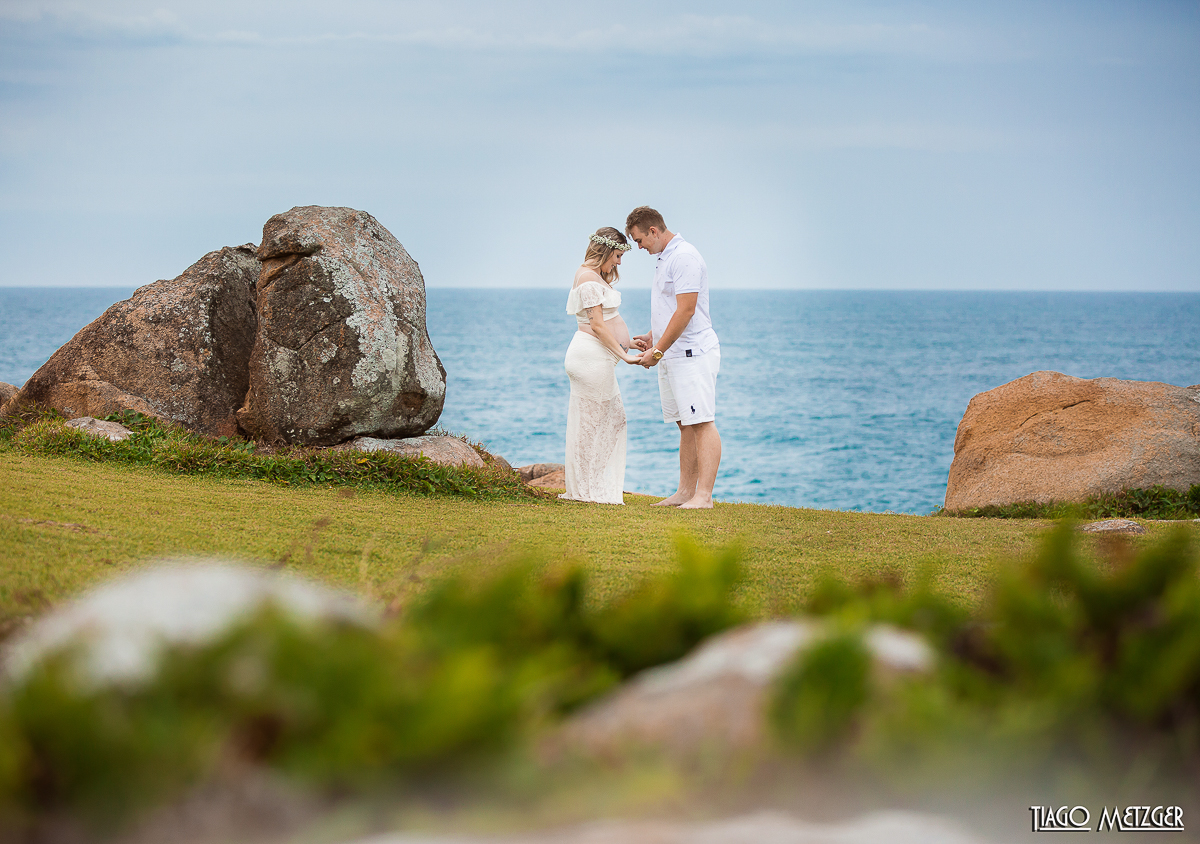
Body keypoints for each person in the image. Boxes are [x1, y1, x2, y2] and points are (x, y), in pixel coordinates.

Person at [626, 206, 722, 509]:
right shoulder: (665, 258)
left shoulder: (684, 257)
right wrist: (654, 337)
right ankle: (685, 492)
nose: (640, 247)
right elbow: (672, 310)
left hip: (692, 353)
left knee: (702, 422)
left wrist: (657, 350)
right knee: (685, 423)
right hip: (673, 353)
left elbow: (687, 309)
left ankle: (703, 496)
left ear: (653, 231)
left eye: (640, 240)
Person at [561, 227, 642, 504]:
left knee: (600, 422)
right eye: (618, 255)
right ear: (606, 250)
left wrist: (629, 343)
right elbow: (596, 325)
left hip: (596, 356)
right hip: (590, 359)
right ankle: (587, 490)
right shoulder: (588, 278)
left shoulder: (591, 276)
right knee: (597, 424)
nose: (619, 262)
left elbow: (602, 322)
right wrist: (628, 357)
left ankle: (589, 486)